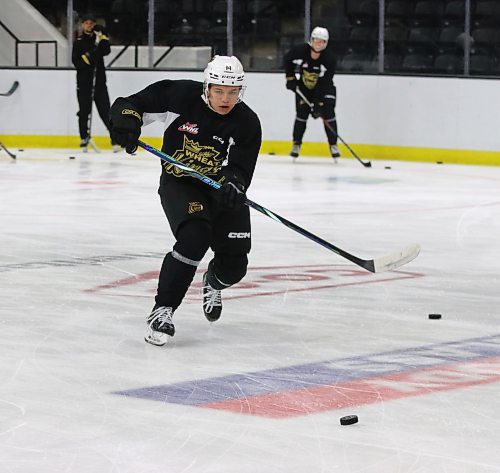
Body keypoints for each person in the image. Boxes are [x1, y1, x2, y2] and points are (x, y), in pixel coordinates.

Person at [109, 56, 262, 346]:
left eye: (233, 92)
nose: (226, 98)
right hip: (181, 184)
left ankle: (213, 282)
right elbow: (128, 105)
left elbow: (241, 167)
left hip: (221, 190)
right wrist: (126, 123)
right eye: (219, 90)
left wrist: (234, 184)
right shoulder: (179, 95)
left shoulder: (247, 122)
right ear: (207, 86)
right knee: (195, 236)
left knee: (235, 266)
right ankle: (162, 310)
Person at [284, 26, 340, 161]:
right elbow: (287, 59)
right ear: (311, 40)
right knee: (301, 114)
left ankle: (333, 145)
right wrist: (290, 78)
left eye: (321, 41)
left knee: (328, 113)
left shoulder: (330, 59)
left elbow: (326, 81)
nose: (318, 44)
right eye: (316, 40)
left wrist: (318, 103)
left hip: (323, 89)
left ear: (325, 43)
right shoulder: (300, 51)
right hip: (303, 89)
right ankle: (296, 144)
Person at [72, 13, 117, 152]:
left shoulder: (98, 39)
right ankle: (84, 138)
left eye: (91, 23)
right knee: (84, 111)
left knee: (106, 111)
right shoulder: (79, 42)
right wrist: (90, 56)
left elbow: (106, 51)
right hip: (85, 83)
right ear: (82, 24)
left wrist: (103, 36)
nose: (89, 25)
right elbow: (77, 62)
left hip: (99, 82)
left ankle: (115, 139)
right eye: (86, 23)